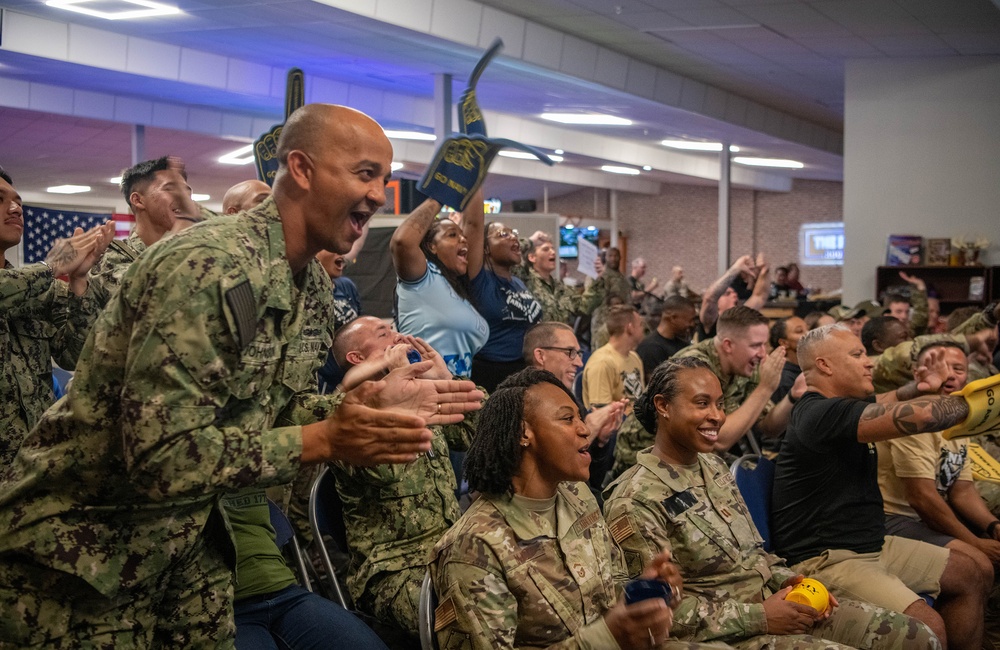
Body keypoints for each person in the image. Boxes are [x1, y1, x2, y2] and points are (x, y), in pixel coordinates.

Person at [0, 104, 484, 646]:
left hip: (187, 547)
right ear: (300, 170)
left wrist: (364, 407)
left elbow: (266, 409)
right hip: (82, 559)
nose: (378, 195)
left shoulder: (312, 285)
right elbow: (160, 454)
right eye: (364, 173)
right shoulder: (208, 266)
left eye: (385, 180)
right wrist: (325, 437)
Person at [604, 357, 940, 649]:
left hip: (774, 602)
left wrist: (786, 580)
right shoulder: (636, 499)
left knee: (916, 637)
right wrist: (760, 617)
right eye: (702, 403)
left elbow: (754, 554)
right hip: (727, 634)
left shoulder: (713, 465)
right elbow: (651, 617)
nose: (717, 416)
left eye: (720, 404)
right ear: (663, 406)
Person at [430, 367, 693, 650]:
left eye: (580, 418)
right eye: (568, 419)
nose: (584, 429)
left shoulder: (575, 496)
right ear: (523, 433)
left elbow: (600, 600)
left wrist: (643, 598)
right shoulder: (473, 546)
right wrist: (606, 637)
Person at [770, 324, 989, 650]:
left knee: (970, 573)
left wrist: (919, 387)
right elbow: (918, 417)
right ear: (825, 366)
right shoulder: (817, 412)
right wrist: (980, 405)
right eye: (857, 355)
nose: (869, 362)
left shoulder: (842, 404)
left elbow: (886, 400)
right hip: (828, 559)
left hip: (872, 545)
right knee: (927, 627)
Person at [328, 317, 478, 639]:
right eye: (385, 334)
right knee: (475, 617)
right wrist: (396, 405)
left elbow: (484, 434)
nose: (399, 337)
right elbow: (386, 471)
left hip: (450, 549)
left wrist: (445, 378)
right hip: (393, 571)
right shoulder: (347, 420)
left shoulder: (418, 395)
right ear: (357, 359)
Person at [0, 167, 115, 466]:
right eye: (0, 199)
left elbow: (75, 357)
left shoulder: (38, 291)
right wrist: (50, 266)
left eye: (18, 202)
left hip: (32, 462)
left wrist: (79, 280)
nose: (15, 209)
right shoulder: (39, 279)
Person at [876, 342, 999, 583]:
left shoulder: (956, 417)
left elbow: (962, 491)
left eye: (958, 369)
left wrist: (992, 525)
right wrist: (974, 543)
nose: (950, 375)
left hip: (924, 516)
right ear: (918, 375)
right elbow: (921, 498)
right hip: (893, 519)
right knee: (979, 564)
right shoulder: (912, 416)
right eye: (940, 368)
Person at [674, 306, 799, 453]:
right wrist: (765, 388)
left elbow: (769, 428)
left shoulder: (744, 364)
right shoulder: (694, 366)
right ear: (728, 345)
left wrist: (793, 395)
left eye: (764, 345)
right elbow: (718, 440)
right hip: (668, 463)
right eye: (755, 345)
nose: (762, 354)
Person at [523, 321, 626, 499]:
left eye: (578, 354)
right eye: (570, 352)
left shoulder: (573, 405)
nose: (579, 362)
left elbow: (591, 481)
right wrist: (589, 432)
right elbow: (538, 483)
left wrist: (601, 441)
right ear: (541, 355)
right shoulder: (518, 407)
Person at [391, 196, 488, 379]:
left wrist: (474, 172)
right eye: (452, 235)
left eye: (462, 236)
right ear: (432, 246)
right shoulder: (423, 278)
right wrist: (443, 190)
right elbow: (402, 242)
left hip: (456, 390)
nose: (464, 240)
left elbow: (474, 224)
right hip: (422, 389)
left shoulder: (459, 287)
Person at [88, 156, 202, 305]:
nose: (184, 199)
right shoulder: (113, 259)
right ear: (138, 200)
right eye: (170, 189)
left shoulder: (190, 252)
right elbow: (153, 303)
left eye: (187, 192)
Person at [467, 216, 543, 392]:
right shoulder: (479, 280)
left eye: (514, 233)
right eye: (503, 234)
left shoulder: (518, 283)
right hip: (490, 373)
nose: (513, 237)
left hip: (522, 369)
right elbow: (473, 223)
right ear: (485, 248)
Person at [522, 234, 604, 324]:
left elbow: (585, 307)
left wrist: (596, 277)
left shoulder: (561, 288)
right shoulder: (524, 280)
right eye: (546, 249)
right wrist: (529, 241)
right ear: (532, 257)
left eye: (553, 248)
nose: (553, 252)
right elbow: (505, 253)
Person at [696, 255, 767, 342]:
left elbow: (760, 296)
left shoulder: (740, 315)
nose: (734, 295)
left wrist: (765, 271)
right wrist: (736, 269)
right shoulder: (711, 321)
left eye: (734, 293)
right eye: (727, 294)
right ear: (717, 304)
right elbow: (710, 298)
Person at [636, 295, 698, 378]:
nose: (692, 324)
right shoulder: (650, 348)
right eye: (690, 320)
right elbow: (655, 385)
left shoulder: (683, 345)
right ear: (673, 318)